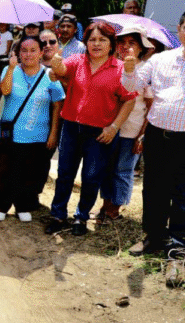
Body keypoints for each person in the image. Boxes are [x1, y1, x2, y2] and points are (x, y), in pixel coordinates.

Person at [46, 22, 137, 236]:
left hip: (99, 133)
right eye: (92, 39)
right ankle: (58, 214)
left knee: (91, 177)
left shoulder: (121, 68)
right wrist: (56, 65)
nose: (96, 44)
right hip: (71, 127)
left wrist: (114, 127)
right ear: (85, 42)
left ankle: (81, 217)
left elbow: (129, 100)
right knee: (65, 174)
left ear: (111, 44)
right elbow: (60, 71)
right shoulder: (78, 61)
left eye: (102, 40)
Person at [121, 9, 185, 261]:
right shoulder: (161, 60)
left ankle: (179, 244)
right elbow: (134, 86)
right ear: (180, 30)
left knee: (184, 192)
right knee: (154, 188)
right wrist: (129, 71)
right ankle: (154, 236)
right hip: (158, 135)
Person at [0, 35, 64, 222]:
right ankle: (1, 204)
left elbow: (57, 105)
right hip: (8, 133)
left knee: (29, 172)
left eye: (33, 50)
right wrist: (10, 68)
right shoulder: (11, 70)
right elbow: (5, 91)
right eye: (24, 50)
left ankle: (23, 205)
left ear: (41, 52)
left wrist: (53, 133)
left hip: (37, 134)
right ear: (18, 53)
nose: (28, 54)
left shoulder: (50, 75)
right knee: (3, 170)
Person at [97, 25, 154, 224]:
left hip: (132, 129)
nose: (125, 47)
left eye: (132, 43)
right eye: (122, 42)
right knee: (106, 168)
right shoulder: (112, 65)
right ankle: (105, 205)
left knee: (122, 169)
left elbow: (150, 105)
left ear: (141, 48)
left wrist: (142, 135)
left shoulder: (146, 70)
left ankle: (115, 208)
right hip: (109, 126)